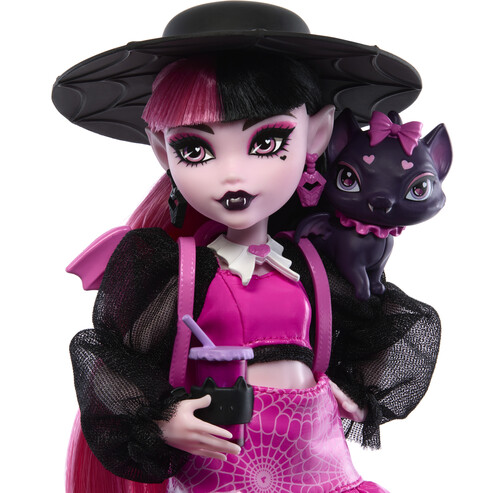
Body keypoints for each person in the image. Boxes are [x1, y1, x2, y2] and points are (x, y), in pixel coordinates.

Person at [53, 3, 439, 492]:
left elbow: (380, 324)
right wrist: (162, 419)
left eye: (268, 142)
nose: (232, 174)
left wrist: (361, 392)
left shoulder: (311, 263)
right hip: (224, 461)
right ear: (162, 150)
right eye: (195, 149)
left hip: (318, 459)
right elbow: (113, 358)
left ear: (317, 135)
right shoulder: (175, 270)